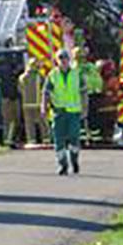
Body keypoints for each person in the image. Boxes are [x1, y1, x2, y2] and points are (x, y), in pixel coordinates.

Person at [42, 48, 85, 176]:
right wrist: (43, 107)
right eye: (61, 59)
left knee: (74, 139)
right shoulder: (52, 75)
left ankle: (74, 160)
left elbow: (84, 92)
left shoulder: (76, 74)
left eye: (65, 58)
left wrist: (85, 108)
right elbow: (46, 93)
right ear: (57, 61)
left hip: (74, 112)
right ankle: (63, 165)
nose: (63, 61)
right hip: (58, 112)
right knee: (58, 140)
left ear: (69, 60)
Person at [18, 58, 49, 145]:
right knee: (42, 123)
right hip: (38, 103)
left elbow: (20, 90)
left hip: (26, 104)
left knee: (29, 124)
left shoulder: (22, 77)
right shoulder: (39, 76)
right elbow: (44, 89)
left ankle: (31, 140)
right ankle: (46, 139)